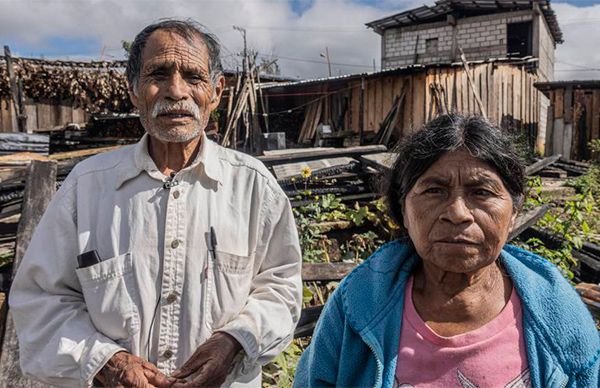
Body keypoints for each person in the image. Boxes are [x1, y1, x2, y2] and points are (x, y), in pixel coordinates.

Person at [9, 19, 302, 388]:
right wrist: (105, 362)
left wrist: (235, 342)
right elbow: (40, 300)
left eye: (194, 77)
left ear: (216, 90)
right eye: (158, 75)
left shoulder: (254, 187)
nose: (176, 91)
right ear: (133, 90)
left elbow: (281, 289)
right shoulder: (86, 189)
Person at [294, 114, 599, 388]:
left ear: (514, 213)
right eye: (434, 190)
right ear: (403, 208)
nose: (457, 213)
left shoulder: (557, 311)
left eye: (481, 192)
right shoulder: (358, 303)